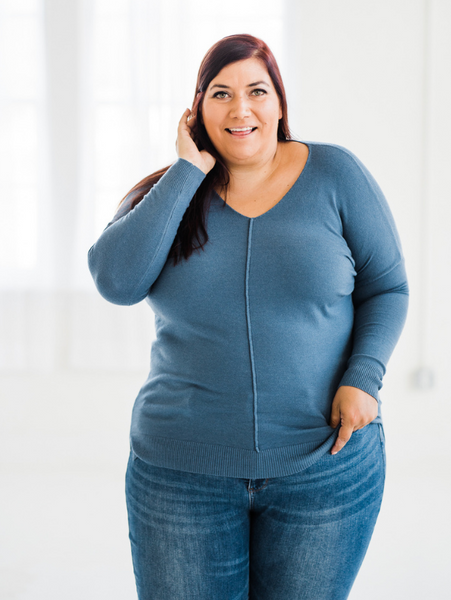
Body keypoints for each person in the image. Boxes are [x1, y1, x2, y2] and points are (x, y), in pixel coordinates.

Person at [88, 33, 409, 600]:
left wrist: (364, 378)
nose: (241, 109)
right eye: (221, 93)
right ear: (196, 111)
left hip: (324, 471)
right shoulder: (166, 195)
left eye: (257, 90)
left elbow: (387, 287)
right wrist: (187, 171)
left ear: (280, 102)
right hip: (181, 478)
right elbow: (116, 283)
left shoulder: (337, 175)